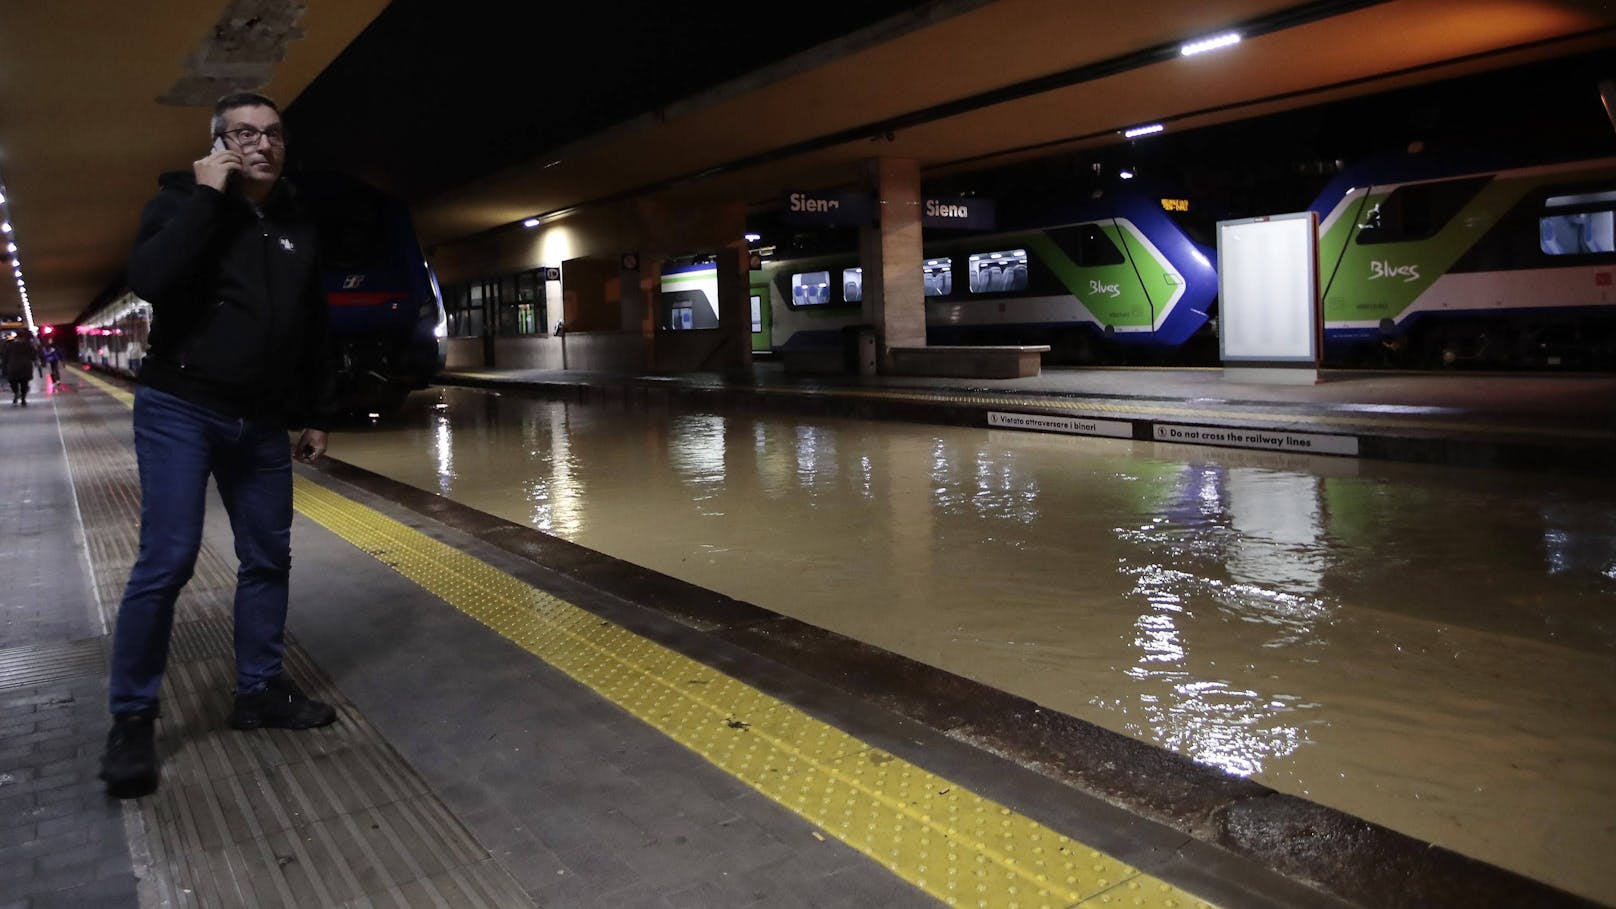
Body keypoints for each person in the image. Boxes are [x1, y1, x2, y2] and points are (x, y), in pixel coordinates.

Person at [99, 91, 339, 799]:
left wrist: (318, 410)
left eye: (271, 133)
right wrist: (208, 196)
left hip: (261, 420)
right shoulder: (181, 202)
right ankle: (133, 718)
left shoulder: (296, 222)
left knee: (268, 555)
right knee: (166, 559)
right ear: (218, 145)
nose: (260, 144)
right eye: (243, 134)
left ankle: (258, 689)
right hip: (180, 407)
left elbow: (314, 325)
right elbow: (151, 279)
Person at [3, 329, 39, 405]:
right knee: (24, 384)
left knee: (13, 382)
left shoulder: (10, 345)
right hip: (25, 367)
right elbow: (34, 356)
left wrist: (4, 366)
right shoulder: (28, 345)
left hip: (13, 367)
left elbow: (5, 356)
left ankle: (16, 393)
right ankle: (23, 399)